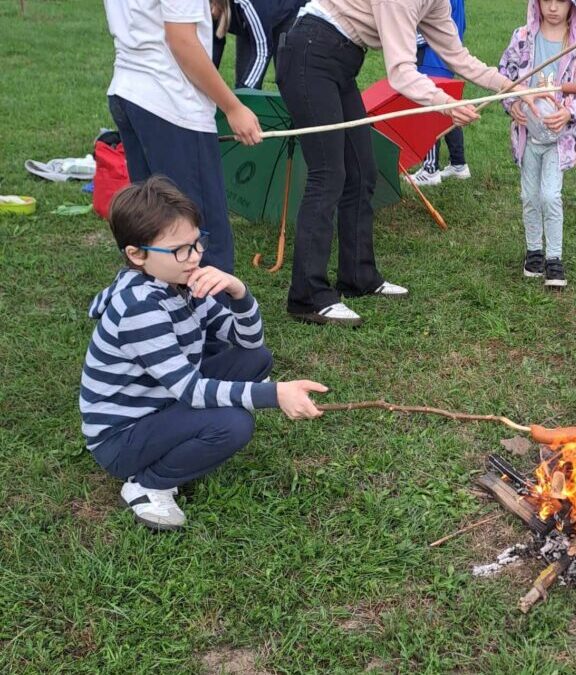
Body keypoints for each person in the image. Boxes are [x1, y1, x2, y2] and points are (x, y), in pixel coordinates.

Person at [80, 178, 327, 531]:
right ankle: (148, 485)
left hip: (161, 400)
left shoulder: (181, 282)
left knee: (256, 360)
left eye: (197, 242)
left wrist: (239, 291)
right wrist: (274, 394)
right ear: (137, 254)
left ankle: (187, 433)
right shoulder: (140, 308)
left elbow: (247, 340)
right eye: (180, 249)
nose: (195, 256)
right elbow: (190, 390)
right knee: (234, 424)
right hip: (122, 437)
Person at [276, 0, 537, 325]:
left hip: (341, 61)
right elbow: (400, 72)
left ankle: (358, 276)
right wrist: (445, 103)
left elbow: (457, 57)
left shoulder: (438, 3)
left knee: (361, 171)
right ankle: (307, 296)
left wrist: (513, 87)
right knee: (328, 174)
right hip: (310, 53)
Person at [104, 0, 263, 274]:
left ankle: (157, 310)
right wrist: (233, 107)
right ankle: (209, 314)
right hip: (170, 101)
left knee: (152, 224)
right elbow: (182, 42)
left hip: (129, 89)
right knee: (198, 234)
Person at [499, 0, 576, 288]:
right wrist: (512, 103)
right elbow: (504, 77)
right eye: (546, 0)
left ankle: (554, 258)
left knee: (550, 196)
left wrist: (569, 112)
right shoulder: (522, 39)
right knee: (529, 196)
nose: (553, 7)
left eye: (561, 1)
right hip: (527, 135)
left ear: (573, 5)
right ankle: (534, 252)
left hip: (559, 139)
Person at [410, 0, 471, 187]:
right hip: (447, 61)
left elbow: (427, 32)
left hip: (432, 61)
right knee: (449, 111)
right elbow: (461, 26)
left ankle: (430, 170)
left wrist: (406, 37)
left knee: (430, 113)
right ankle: (458, 164)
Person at [210, 0, 305, 90]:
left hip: (288, 12)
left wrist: (245, 92)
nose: (211, 12)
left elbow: (262, 52)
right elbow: (214, 43)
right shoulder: (204, 6)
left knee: (288, 81)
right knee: (244, 81)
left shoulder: (247, 2)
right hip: (254, 17)